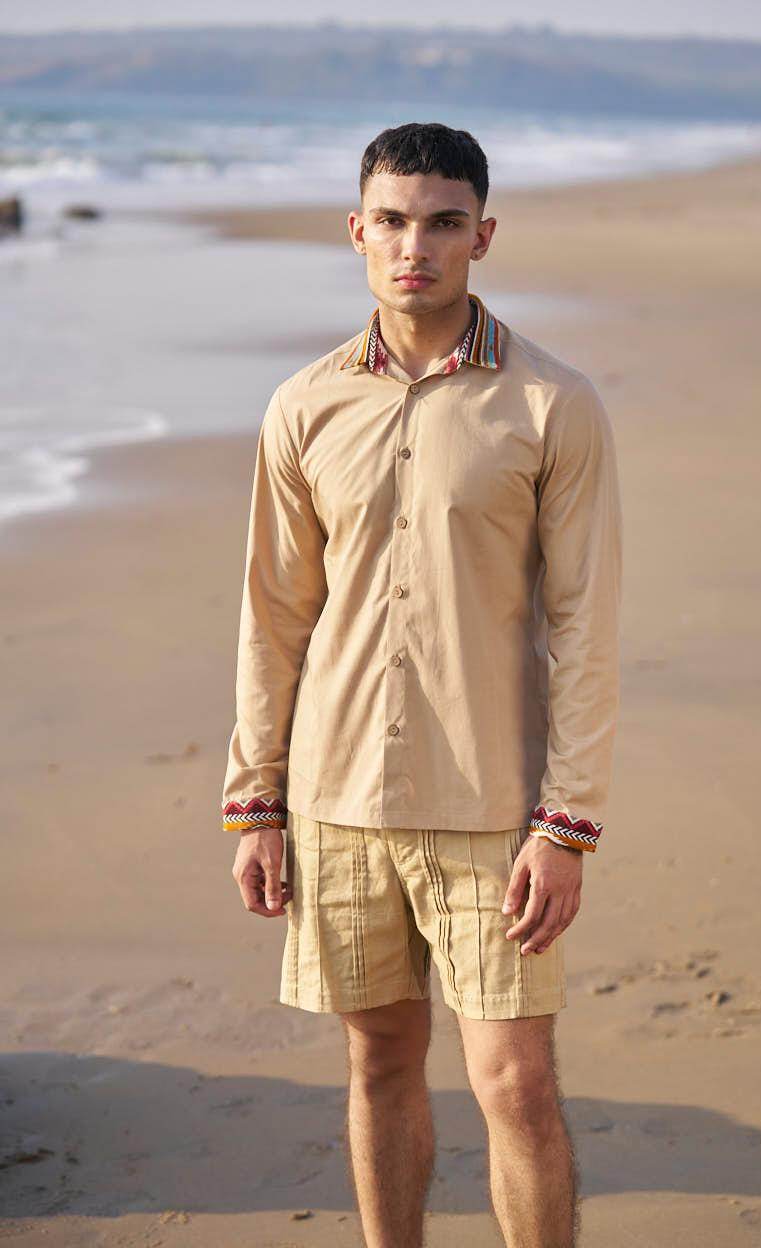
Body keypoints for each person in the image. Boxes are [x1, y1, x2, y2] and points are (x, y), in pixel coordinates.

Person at [222, 121, 623, 1248]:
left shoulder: (552, 404)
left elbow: (585, 625)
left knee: (515, 1084)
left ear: (482, 236)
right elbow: (274, 616)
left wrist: (567, 824)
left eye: (444, 223)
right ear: (357, 231)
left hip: (494, 808)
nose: (416, 247)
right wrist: (255, 800)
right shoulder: (303, 406)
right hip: (336, 799)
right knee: (381, 1061)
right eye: (393, 222)